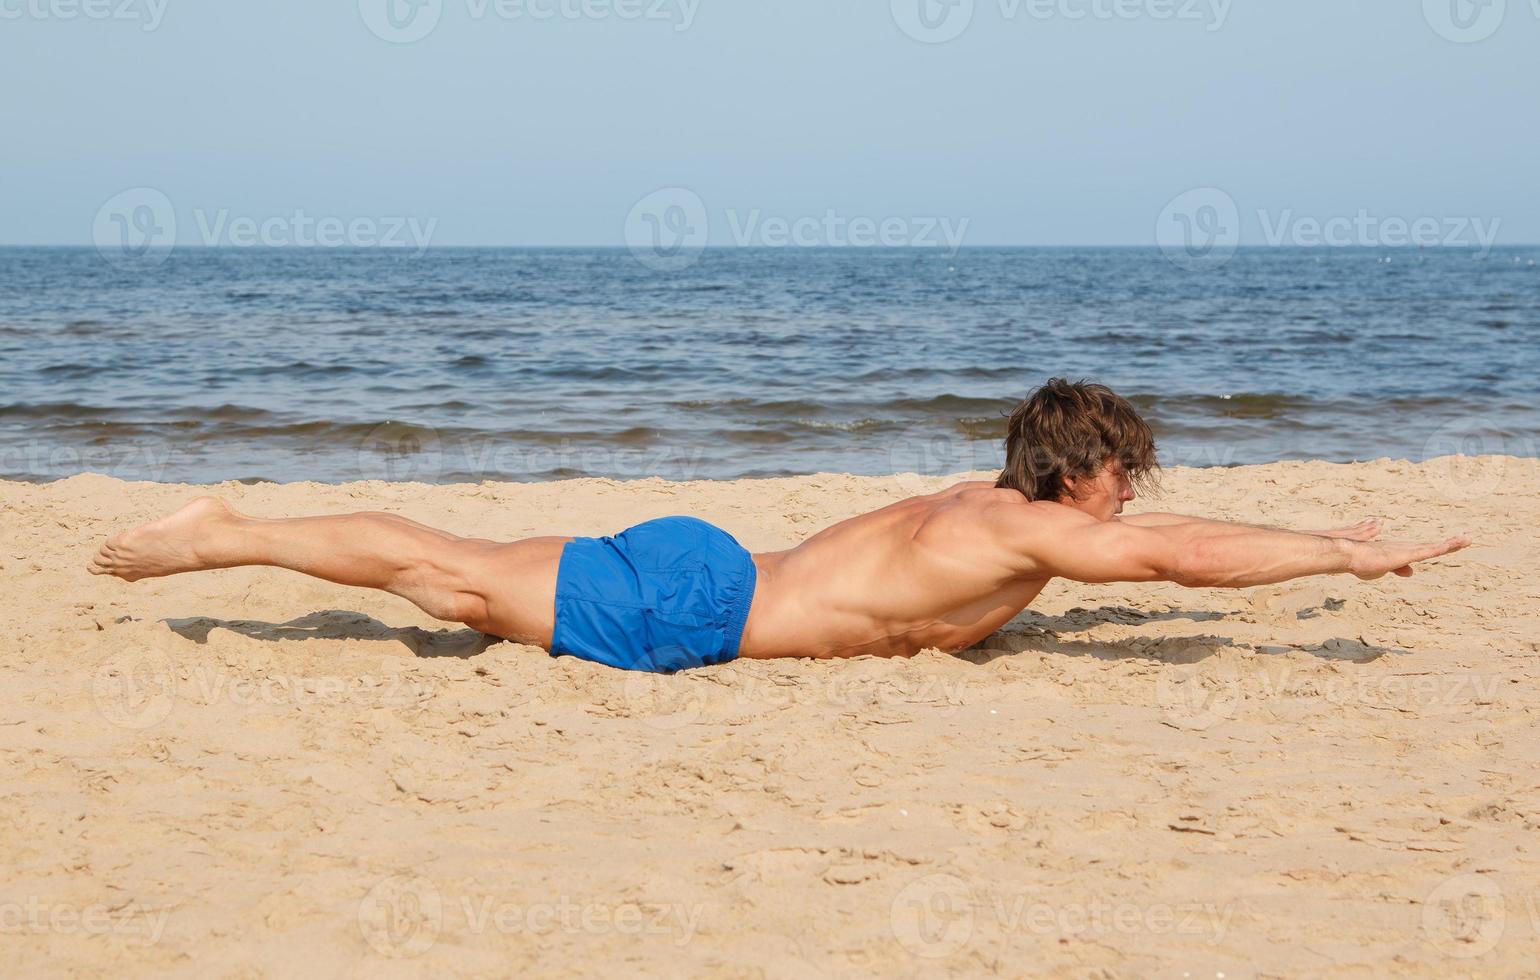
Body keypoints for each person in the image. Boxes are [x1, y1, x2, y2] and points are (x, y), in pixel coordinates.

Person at [88, 379, 1471, 673]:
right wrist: (1351, 556)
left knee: (452, 580)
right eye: (1125, 474)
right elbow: (1184, 561)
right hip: (701, 610)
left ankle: (237, 527)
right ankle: (224, 531)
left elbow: (1160, 558)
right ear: (1080, 474)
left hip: (712, 575)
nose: (1136, 498)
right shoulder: (1036, 535)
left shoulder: (989, 514)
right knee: (439, 577)